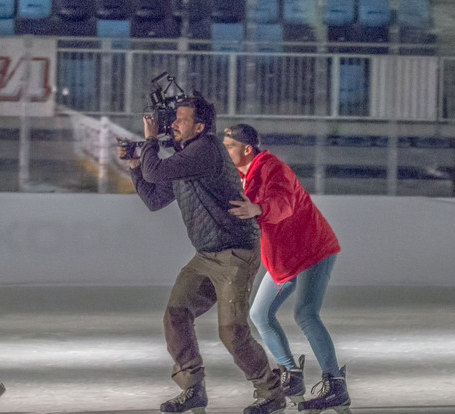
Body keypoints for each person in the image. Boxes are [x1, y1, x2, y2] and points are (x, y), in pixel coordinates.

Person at [117, 95, 285, 414]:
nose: (174, 124)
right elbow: (154, 197)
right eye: (175, 119)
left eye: (181, 119)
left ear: (200, 126)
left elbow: (157, 172)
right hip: (206, 255)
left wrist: (150, 141)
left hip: (235, 253)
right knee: (176, 315)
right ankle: (193, 389)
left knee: (231, 332)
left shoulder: (206, 150)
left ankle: (271, 392)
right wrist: (135, 167)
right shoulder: (186, 159)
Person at [222, 123, 351, 414]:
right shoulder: (243, 175)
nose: (224, 150)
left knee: (305, 313)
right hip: (286, 258)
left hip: (313, 250)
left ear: (246, 148)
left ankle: (336, 385)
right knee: (260, 314)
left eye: (229, 146)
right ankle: (292, 376)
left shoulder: (272, 167)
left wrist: (258, 209)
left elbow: (283, 204)